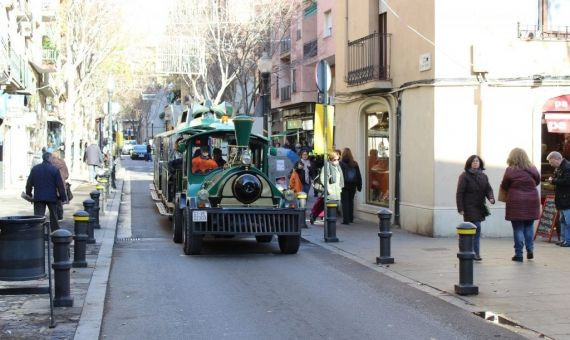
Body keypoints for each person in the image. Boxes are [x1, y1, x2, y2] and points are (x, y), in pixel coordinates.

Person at [501, 148, 541, 262]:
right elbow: (537, 181)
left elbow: (504, 185)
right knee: (529, 227)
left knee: (518, 228)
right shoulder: (532, 168)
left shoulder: (510, 170)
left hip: (515, 201)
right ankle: (530, 250)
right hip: (532, 200)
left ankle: (518, 254)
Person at [456, 155, 495, 261]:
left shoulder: (483, 176)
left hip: (479, 206)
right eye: (473, 161)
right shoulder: (464, 176)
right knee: (476, 228)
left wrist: (491, 198)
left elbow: (488, 189)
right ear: (469, 163)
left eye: (477, 161)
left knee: (475, 230)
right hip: (469, 206)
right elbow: (460, 193)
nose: (475, 163)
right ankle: (474, 253)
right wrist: (460, 208)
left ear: (480, 163)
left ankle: (473, 252)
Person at [26, 152, 67, 231]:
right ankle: (55, 232)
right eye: (51, 158)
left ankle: (38, 232)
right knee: (54, 216)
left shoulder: (35, 169)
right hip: (51, 197)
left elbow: (29, 183)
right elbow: (60, 185)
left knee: (38, 217)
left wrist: (29, 193)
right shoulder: (54, 170)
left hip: (39, 196)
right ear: (49, 159)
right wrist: (63, 197)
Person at [310, 151, 344, 224]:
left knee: (333, 207)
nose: (337, 161)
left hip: (337, 191)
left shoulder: (338, 167)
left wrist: (340, 188)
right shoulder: (327, 166)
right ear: (331, 159)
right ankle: (318, 217)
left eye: (338, 159)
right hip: (330, 191)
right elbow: (323, 178)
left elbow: (339, 179)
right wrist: (328, 189)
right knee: (326, 206)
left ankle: (329, 221)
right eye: (335, 160)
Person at [546, 151, 570, 247]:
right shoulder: (559, 168)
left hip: (567, 199)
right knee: (563, 221)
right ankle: (564, 240)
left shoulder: (567, 167)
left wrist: (554, 181)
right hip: (562, 199)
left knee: (568, 222)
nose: (551, 165)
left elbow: (567, 181)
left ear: (557, 159)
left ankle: (568, 241)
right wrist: (553, 180)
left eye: (551, 162)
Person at [340, 148, 362, 224]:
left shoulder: (341, 163)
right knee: (350, 202)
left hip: (344, 185)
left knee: (345, 202)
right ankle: (351, 218)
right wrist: (359, 186)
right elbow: (358, 175)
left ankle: (346, 220)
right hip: (353, 186)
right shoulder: (355, 163)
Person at [49, 151, 70, 220]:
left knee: (52, 201)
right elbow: (67, 175)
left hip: (51, 184)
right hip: (61, 184)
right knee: (59, 201)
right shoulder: (62, 162)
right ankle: (60, 216)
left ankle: (53, 215)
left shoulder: (50, 163)